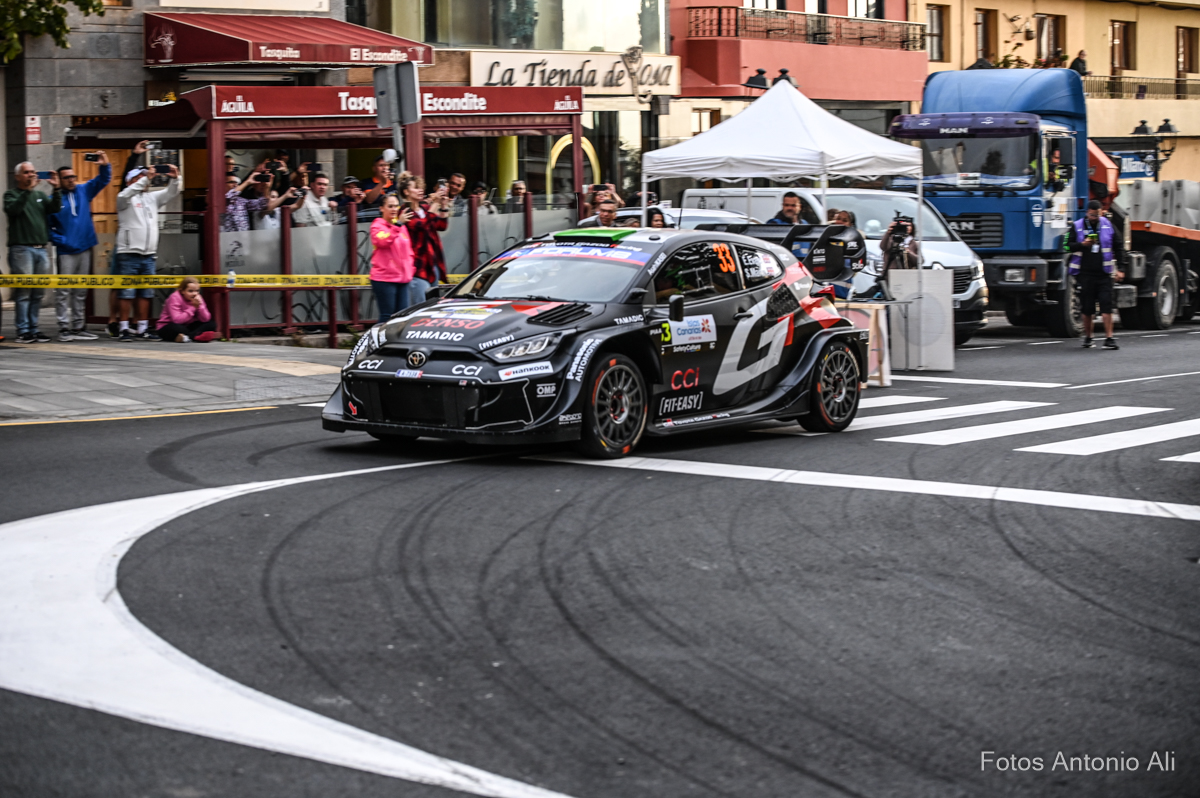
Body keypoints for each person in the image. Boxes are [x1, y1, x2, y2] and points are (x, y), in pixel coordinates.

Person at [49, 152, 111, 341]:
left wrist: (104, 165)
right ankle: (63, 328)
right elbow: (47, 228)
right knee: (63, 290)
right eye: (67, 177)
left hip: (84, 248)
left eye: (73, 176)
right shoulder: (54, 200)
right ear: (59, 180)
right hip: (66, 251)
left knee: (81, 289)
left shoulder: (83, 190)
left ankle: (78, 326)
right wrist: (62, 241)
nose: (71, 180)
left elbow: (103, 180)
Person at [114, 163, 179, 341]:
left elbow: (171, 193)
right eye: (139, 177)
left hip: (149, 253)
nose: (145, 179)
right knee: (127, 292)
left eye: (145, 176)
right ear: (130, 181)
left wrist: (175, 178)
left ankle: (142, 328)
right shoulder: (124, 198)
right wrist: (144, 180)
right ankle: (124, 328)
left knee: (146, 292)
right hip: (129, 252)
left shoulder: (151, 198)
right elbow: (124, 195)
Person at [4, 162, 62, 343]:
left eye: (33, 172)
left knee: (38, 292)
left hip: (41, 249)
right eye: (26, 172)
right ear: (17, 176)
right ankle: (23, 330)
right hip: (22, 249)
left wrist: (56, 189)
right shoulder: (11, 195)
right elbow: (13, 210)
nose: (31, 175)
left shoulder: (40, 195)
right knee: (24, 292)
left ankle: (34, 328)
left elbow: (54, 208)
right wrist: (28, 191)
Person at [1067, 200, 1125, 349]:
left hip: (1104, 274)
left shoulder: (1108, 225)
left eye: (1098, 215)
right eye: (1092, 215)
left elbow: (1119, 246)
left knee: (1107, 306)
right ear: (1087, 213)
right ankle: (1088, 338)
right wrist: (1082, 244)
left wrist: (1121, 269)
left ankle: (1109, 338)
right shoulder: (1077, 226)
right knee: (1087, 308)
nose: (1095, 218)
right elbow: (1066, 246)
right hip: (1084, 274)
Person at [400, 173, 451, 306]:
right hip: (417, 267)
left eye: (421, 187)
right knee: (421, 307)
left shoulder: (425, 208)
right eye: (416, 187)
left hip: (432, 265)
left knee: (433, 306)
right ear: (406, 192)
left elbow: (441, 225)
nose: (420, 190)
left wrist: (443, 205)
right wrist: (435, 204)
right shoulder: (405, 211)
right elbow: (421, 225)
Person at [369, 195, 415, 322]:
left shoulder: (401, 226)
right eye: (390, 206)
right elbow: (382, 241)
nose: (394, 209)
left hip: (403, 278)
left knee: (402, 318)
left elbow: (408, 250)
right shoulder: (377, 225)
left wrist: (410, 270)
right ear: (381, 208)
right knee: (387, 317)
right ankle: (379, 336)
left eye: (396, 206)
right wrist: (398, 224)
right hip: (385, 278)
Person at [156, 276, 217, 343]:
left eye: (197, 291)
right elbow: (177, 320)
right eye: (190, 291)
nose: (194, 294)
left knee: (211, 324)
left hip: (188, 325)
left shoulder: (198, 298)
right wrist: (193, 307)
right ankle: (194, 336)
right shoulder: (174, 297)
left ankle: (187, 337)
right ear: (182, 291)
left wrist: (200, 306)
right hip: (168, 326)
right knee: (179, 329)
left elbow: (205, 319)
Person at [222, 167, 270, 233]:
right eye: (231, 182)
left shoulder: (241, 201)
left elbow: (262, 205)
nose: (235, 185)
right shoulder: (220, 200)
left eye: (237, 183)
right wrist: (248, 182)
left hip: (243, 237)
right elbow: (229, 196)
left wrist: (266, 188)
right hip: (227, 237)